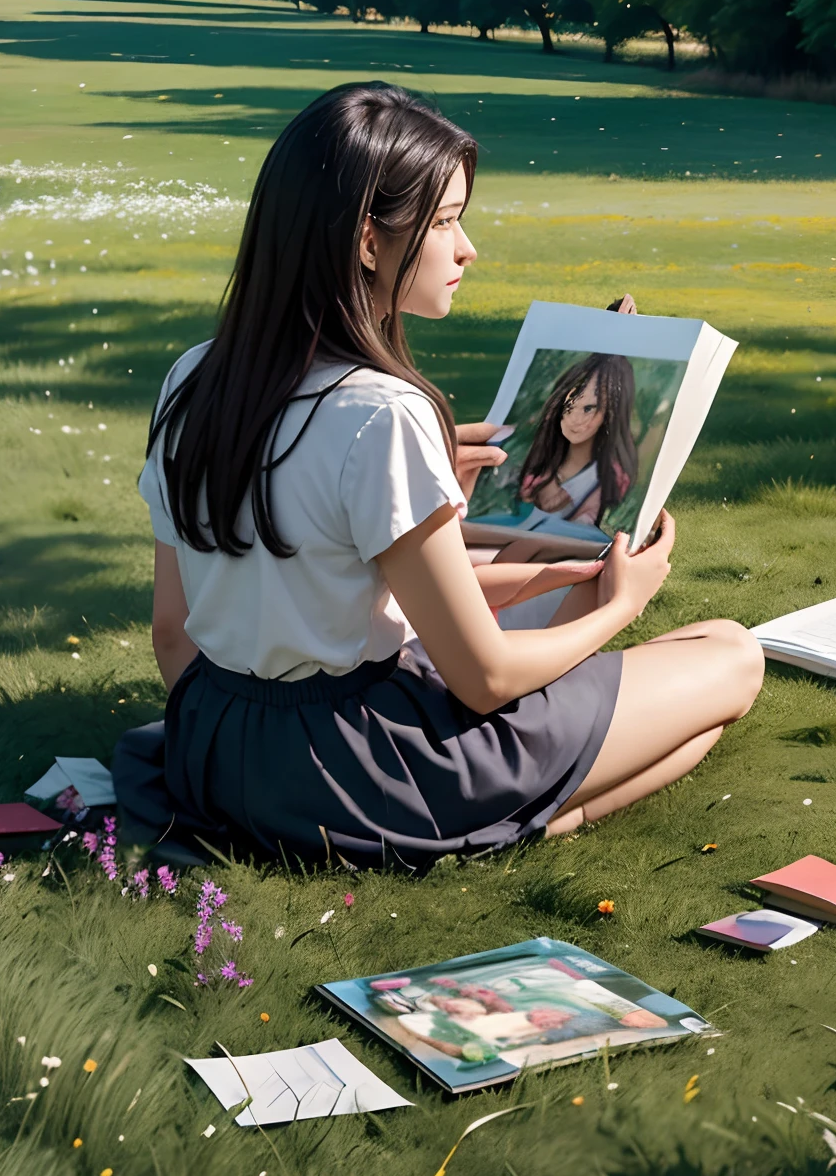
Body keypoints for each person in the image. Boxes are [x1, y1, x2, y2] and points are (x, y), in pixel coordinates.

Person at [113, 83, 764, 869]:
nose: (468, 248)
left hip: (215, 750)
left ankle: (490, 820)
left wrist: (233, 742)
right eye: (448, 221)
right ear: (364, 240)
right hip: (364, 766)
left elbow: (173, 635)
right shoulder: (382, 413)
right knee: (731, 654)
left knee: (563, 584)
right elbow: (484, 677)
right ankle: (484, 831)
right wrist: (623, 608)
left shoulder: (194, 376)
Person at [515, 353, 638, 528]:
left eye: (589, 408)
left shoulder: (610, 479)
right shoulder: (539, 470)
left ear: (611, 415)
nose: (574, 418)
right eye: (570, 405)